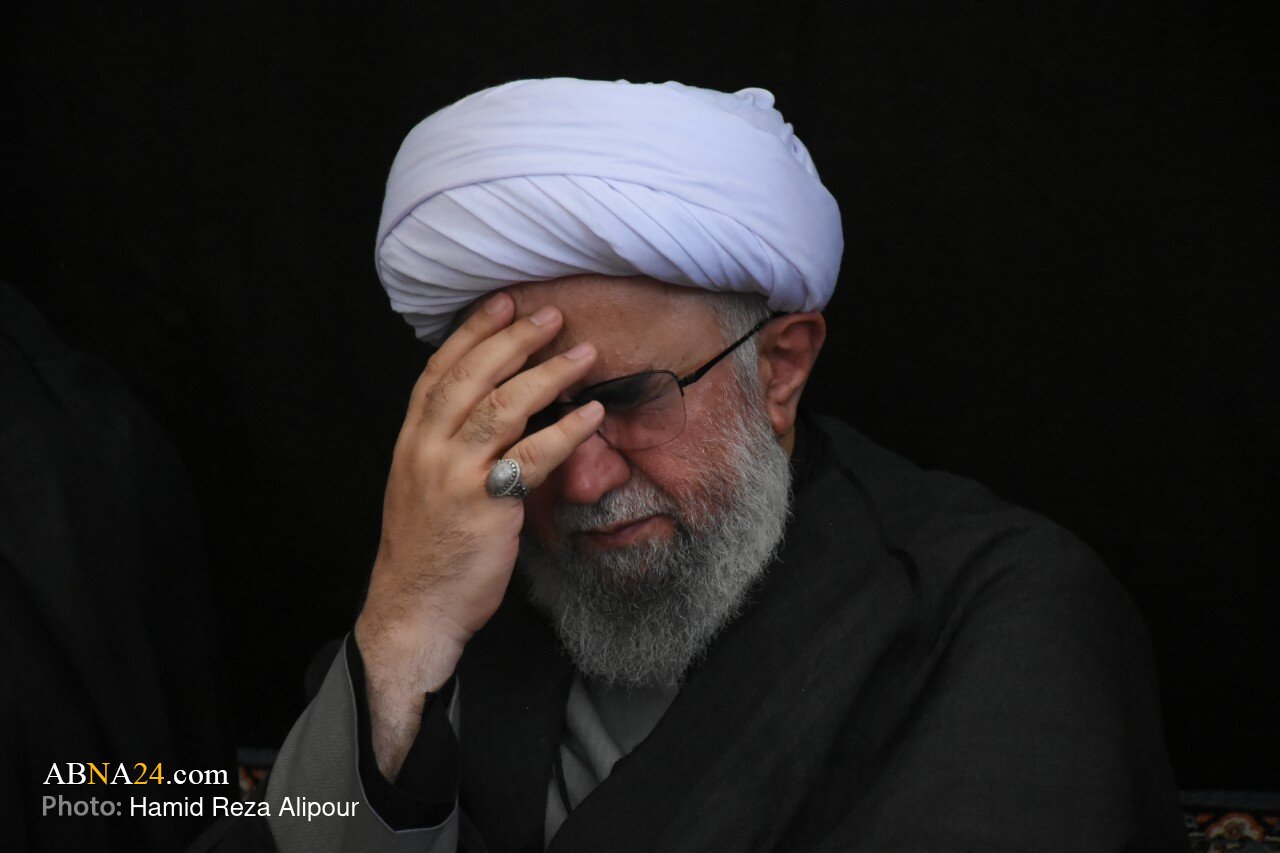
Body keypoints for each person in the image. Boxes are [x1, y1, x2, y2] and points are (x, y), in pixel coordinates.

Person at [196, 78, 1187, 851]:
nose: (581, 481)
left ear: (780, 368)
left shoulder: (1001, 610)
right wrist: (404, 622)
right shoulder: (468, 581)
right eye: (536, 417)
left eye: (630, 400)